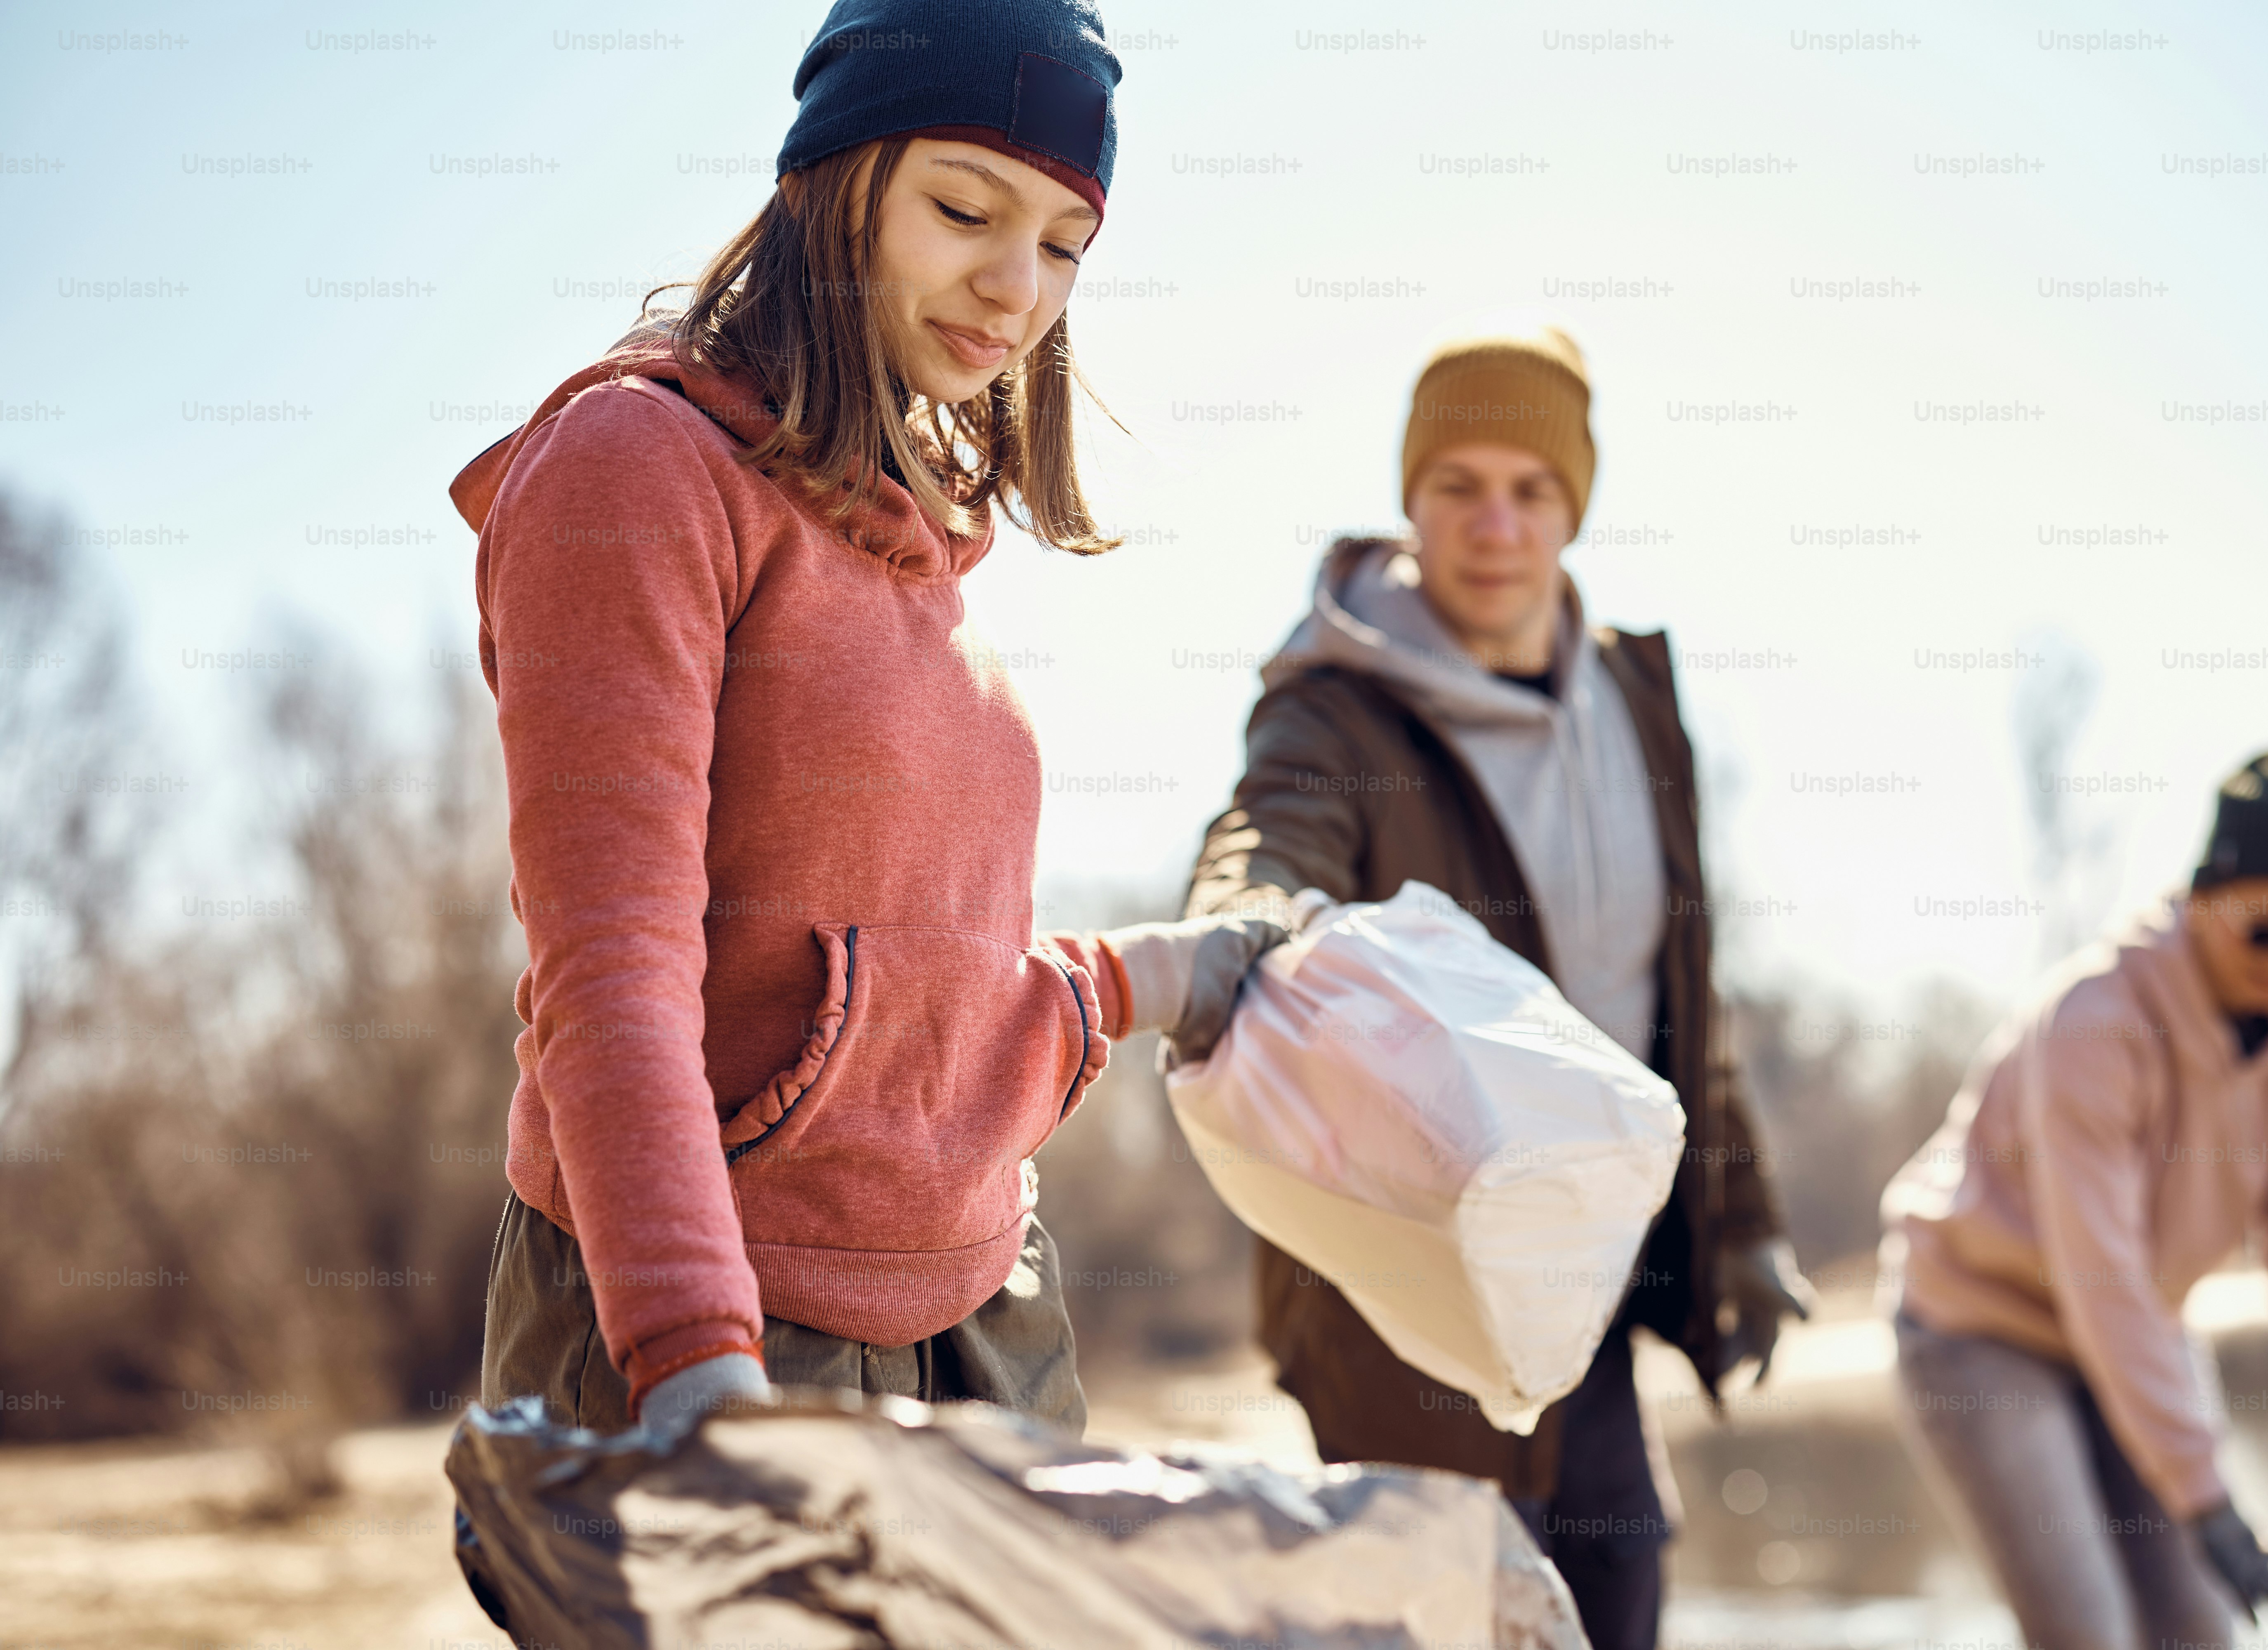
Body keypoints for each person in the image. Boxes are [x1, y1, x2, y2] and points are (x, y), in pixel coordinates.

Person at [452, 0, 1267, 1440]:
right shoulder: (636, 471)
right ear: (835, 182)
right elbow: (614, 975)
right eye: (966, 207)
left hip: (992, 1319)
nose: (1018, 286)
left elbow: (924, 985)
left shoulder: (930, 549)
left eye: (1068, 244)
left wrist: (1159, 976)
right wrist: (698, 1366)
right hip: (707, 1323)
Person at [1181, 324, 1810, 1650]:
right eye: (1457, 484)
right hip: (1403, 1270)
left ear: (1574, 506)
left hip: (1585, 1267)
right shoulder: (1336, 704)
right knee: (1467, 1617)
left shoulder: (1638, 699)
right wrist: (1237, 922)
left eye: (1531, 489)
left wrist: (1741, 1218)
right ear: (1410, 499)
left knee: (1617, 1586)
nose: (1495, 524)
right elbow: (1271, 830)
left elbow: (1682, 998)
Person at [1880, 752, 2268, 1649]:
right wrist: (2215, 1513)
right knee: (2090, 1632)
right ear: (2203, 901)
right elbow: (2099, 1274)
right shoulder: (2096, 1022)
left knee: (2199, 1633)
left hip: (2136, 1330)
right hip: (1982, 1328)